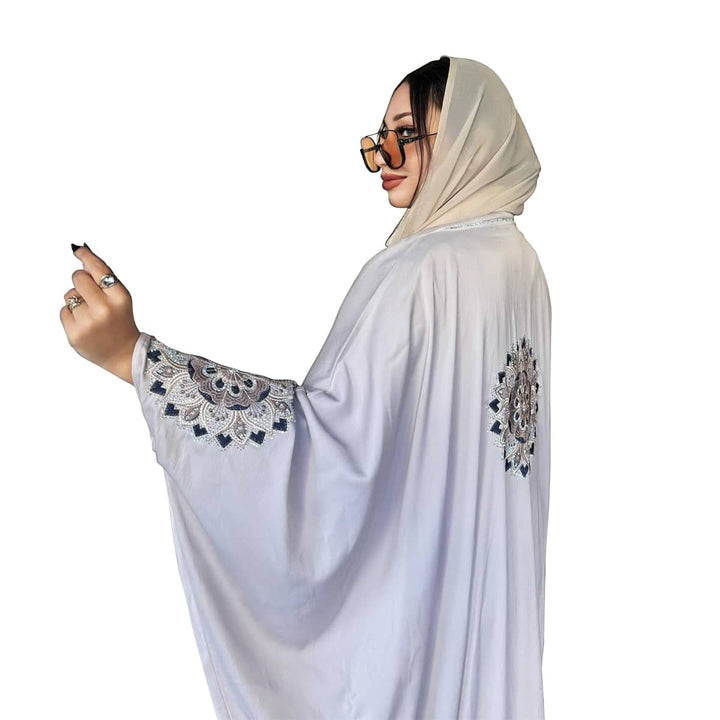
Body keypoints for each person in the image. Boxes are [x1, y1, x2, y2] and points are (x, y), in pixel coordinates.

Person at [60, 55, 551, 720]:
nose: (384, 158)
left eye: (407, 134)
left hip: (422, 626)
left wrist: (138, 360)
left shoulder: (420, 270)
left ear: (469, 134)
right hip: (488, 613)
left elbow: (325, 444)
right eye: (380, 139)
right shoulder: (520, 266)